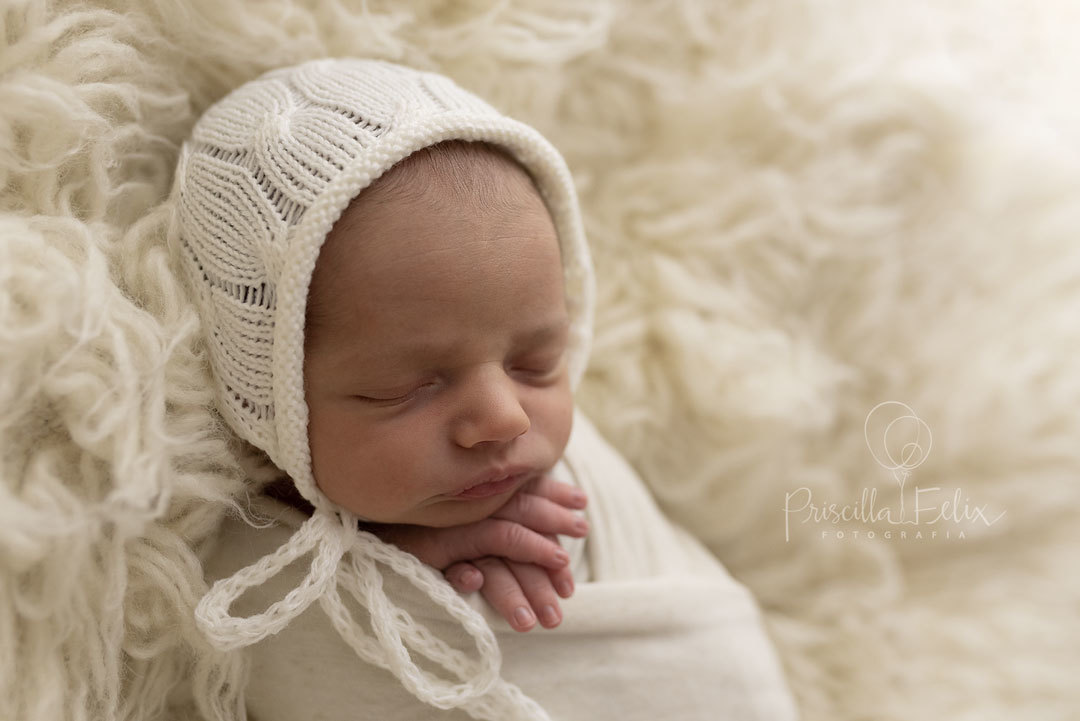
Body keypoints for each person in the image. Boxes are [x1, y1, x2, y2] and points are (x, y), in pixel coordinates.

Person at [171, 57, 799, 721]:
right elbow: (251, 620)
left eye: (537, 361)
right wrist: (388, 567)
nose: (505, 419)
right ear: (269, 399)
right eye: (405, 388)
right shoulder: (243, 562)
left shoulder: (579, 492)